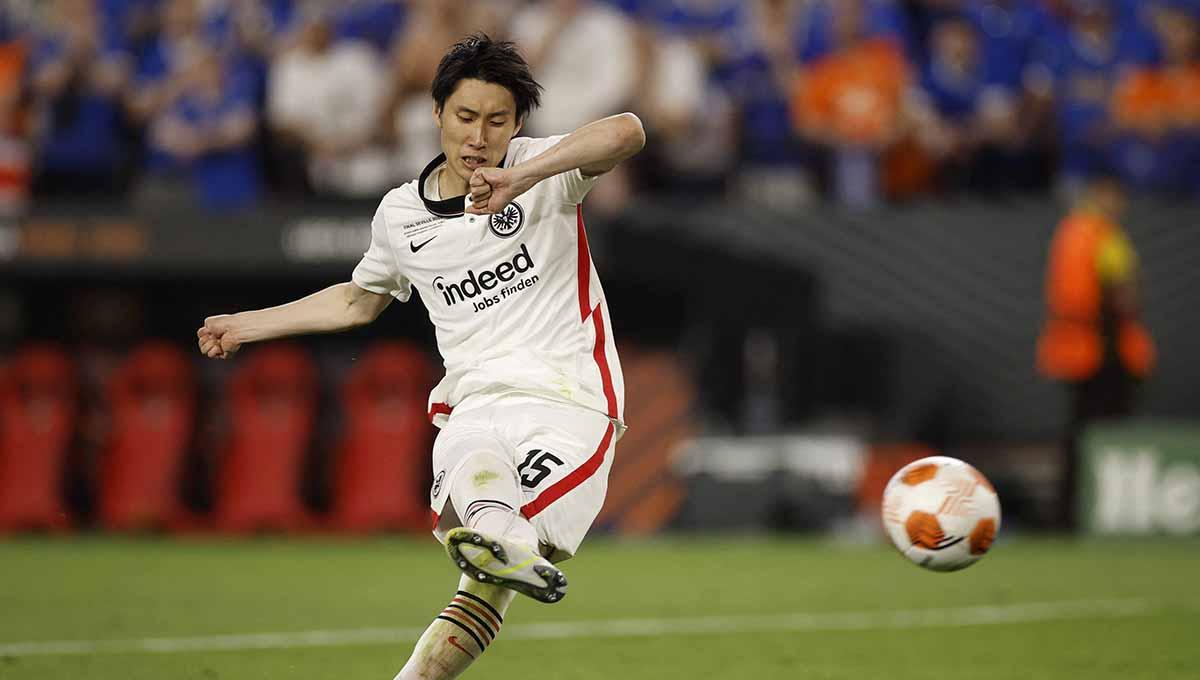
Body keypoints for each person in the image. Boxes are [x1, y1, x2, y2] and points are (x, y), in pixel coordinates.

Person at [196, 34, 644, 679]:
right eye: (465, 117)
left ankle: (505, 540)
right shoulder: (401, 214)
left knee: (489, 552)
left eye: (497, 121)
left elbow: (627, 132)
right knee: (483, 550)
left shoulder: (544, 170)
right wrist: (247, 325)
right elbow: (359, 301)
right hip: (473, 405)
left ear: (517, 125)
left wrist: (522, 176)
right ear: (436, 113)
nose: (479, 137)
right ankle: (504, 544)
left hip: (566, 403)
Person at [1037, 174, 1155, 529]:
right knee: (1106, 434)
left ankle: (1068, 513)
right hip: (1105, 352)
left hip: (1076, 350)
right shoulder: (1105, 236)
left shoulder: (1069, 232)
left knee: (1077, 434)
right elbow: (1124, 293)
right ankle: (1102, 511)